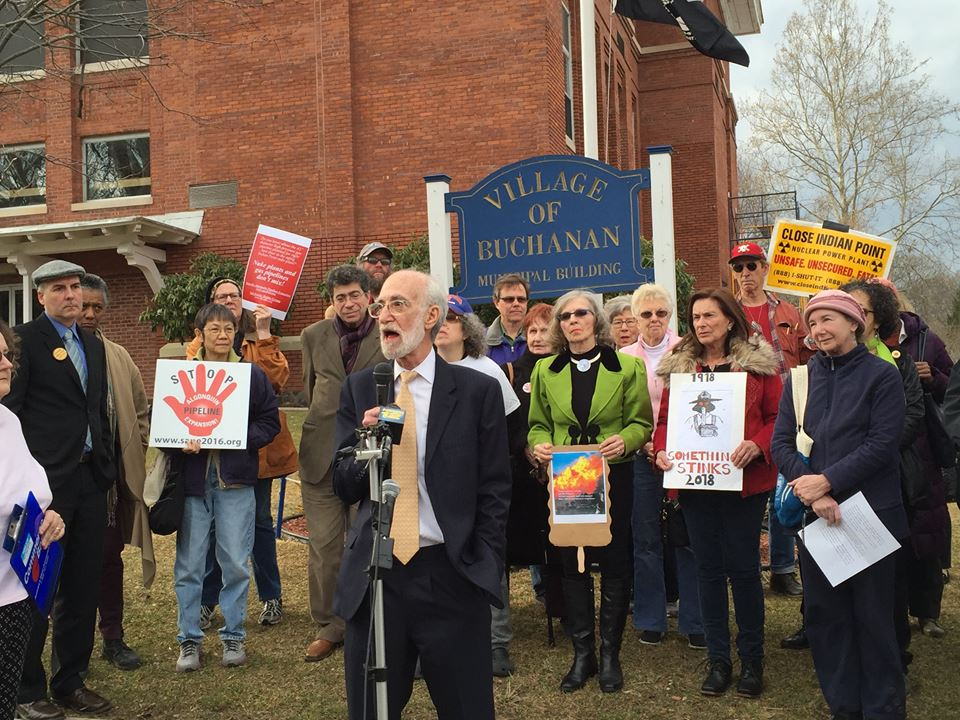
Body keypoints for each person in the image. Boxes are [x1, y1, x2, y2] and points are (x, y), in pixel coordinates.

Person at [332, 269, 511, 719]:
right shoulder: (361, 387)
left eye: (397, 304)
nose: (384, 316)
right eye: (380, 307)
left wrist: (481, 558)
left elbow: (495, 487)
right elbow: (342, 483)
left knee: (466, 708)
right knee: (372, 711)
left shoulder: (477, 391)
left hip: (449, 572)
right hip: (377, 577)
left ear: (432, 315)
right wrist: (363, 443)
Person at [772, 289, 907, 720]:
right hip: (820, 519)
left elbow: (884, 444)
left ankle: (883, 708)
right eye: (813, 322)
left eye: (829, 319)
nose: (819, 329)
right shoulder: (800, 379)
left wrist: (829, 480)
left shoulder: (881, 376)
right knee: (827, 620)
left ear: (855, 323)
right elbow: (781, 443)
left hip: (870, 517)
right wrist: (815, 490)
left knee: (874, 620)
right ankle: (844, 706)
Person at [653, 288, 781, 698]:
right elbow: (664, 422)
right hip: (695, 485)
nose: (702, 323)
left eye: (710, 315)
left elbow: (780, 418)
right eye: (695, 318)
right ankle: (719, 660)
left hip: (743, 484)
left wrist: (759, 444)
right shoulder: (681, 368)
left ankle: (752, 661)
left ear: (730, 319)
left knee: (743, 571)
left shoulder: (758, 366)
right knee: (706, 572)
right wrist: (660, 450)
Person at [3, 260, 116, 720]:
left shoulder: (93, 344)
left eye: (75, 287)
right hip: (44, 486)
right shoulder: (25, 343)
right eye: (59, 289)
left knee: (83, 585)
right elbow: (11, 409)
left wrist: (105, 458)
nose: (70, 295)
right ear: (40, 297)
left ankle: (70, 680)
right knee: (35, 587)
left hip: (90, 480)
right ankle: (27, 690)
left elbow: (95, 408)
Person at [528, 290, 653, 694]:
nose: (573, 321)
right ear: (559, 326)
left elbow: (641, 423)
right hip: (569, 476)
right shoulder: (545, 370)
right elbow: (537, 424)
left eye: (581, 313)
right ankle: (583, 654)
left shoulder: (629, 367)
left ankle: (610, 653)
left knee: (615, 562)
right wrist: (540, 445)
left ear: (595, 320)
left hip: (613, 475)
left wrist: (627, 440)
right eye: (565, 317)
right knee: (572, 564)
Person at [842, 279, 945, 681]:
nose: (851, 317)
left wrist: (865, 453)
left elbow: (911, 418)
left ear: (876, 318)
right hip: (840, 486)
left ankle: (893, 659)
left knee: (889, 580)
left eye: (860, 311)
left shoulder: (897, 363)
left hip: (888, 484)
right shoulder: (825, 365)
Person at [171, 303, 280, 672]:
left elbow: (270, 421)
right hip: (193, 484)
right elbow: (165, 423)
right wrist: (178, 441)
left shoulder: (251, 376)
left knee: (234, 561)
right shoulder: (182, 374)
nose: (222, 335)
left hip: (235, 482)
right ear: (199, 334)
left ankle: (234, 636)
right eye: (214, 329)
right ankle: (189, 640)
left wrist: (238, 436)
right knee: (189, 564)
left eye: (228, 329)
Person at [187, 278, 298, 629]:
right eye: (222, 296)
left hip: (257, 455)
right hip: (214, 460)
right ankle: (207, 600)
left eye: (235, 296)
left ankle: (270, 597)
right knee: (216, 530)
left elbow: (274, 381)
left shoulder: (256, 340)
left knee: (261, 525)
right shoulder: (198, 345)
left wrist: (264, 334)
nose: (230, 300)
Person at [299, 265, 385, 662]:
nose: (348, 303)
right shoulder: (312, 336)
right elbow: (310, 385)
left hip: (371, 452)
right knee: (325, 545)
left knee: (367, 540)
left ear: (369, 296)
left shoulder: (386, 332)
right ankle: (330, 624)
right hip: (320, 454)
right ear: (331, 302)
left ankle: (368, 617)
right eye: (340, 297)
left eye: (355, 295)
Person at [435, 293, 520, 676]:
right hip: (434, 489)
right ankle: (435, 642)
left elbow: (511, 428)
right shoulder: (418, 370)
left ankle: (496, 643)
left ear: (467, 329)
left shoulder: (487, 370)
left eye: (451, 320)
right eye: (437, 319)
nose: (442, 326)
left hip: (478, 486)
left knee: (488, 560)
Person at [619, 283, 703, 648]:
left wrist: (667, 444)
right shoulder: (621, 357)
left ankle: (695, 619)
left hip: (684, 456)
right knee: (645, 536)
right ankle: (651, 617)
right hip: (641, 455)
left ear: (670, 316)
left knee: (688, 537)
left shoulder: (689, 351)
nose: (654, 320)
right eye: (646, 314)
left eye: (661, 313)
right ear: (634, 319)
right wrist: (646, 443)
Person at [78, 274, 154, 671]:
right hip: (64, 481)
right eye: (83, 306)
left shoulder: (119, 356)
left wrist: (134, 449)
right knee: (64, 566)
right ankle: (72, 646)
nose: (89, 314)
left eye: (96, 307)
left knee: (108, 559)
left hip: (107, 481)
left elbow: (141, 411)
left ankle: (113, 638)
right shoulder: (53, 353)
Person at [729, 241, 810, 597]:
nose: (745, 274)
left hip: (790, 411)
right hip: (746, 414)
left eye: (751, 266)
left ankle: (782, 567)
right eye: (738, 268)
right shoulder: (728, 314)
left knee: (785, 489)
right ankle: (743, 570)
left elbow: (809, 356)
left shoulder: (789, 312)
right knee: (745, 497)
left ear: (764, 268)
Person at [0, 320, 63, 720]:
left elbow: (33, 495)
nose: (5, 364)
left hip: (14, 595)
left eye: (6, 354)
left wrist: (52, 520)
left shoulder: (9, 422)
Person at [500, 303, 556, 610]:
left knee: (557, 539)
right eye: (532, 330)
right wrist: (526, 446)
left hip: (559, 466)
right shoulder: (511, 371)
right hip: (523, 470)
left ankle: (558, 601)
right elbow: (510, 420)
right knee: (525, 537)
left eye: (544, 330)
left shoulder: (565, 368)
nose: (537, 337)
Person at [485, 273, 530, 364]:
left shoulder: (541, 338)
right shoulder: (481, 342)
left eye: (521, 299)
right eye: (509, 299)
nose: (516, 304)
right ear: (496, 302)